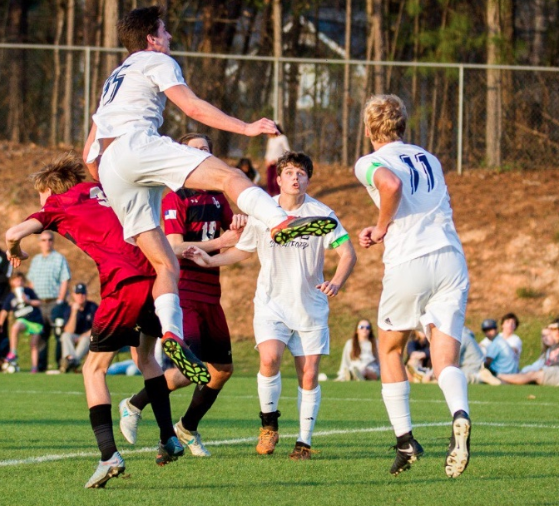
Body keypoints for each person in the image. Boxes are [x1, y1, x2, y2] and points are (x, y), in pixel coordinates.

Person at [82, 5, 336, 357]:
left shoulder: (115, 78)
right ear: (151, 39)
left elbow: (87, 156)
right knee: (231, 175)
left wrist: (110, 184)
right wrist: (247, 128)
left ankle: (171, 332)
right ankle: (280, 222)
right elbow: (194, 109)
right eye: (164, 30)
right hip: (137, 144)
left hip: (110, 166)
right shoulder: (157, 60)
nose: (170, 36)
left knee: (165, 264)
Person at [4, 153, 211, 489]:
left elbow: (14, 231)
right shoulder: (101, 188)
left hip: (123, 282)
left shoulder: (56, 204)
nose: (40, 202)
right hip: (156, 272)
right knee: (146, 359)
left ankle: (108, 455)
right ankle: (167, 438)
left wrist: (17, 248)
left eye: (40, 195)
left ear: (49, 189)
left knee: (93, 369)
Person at [185, 151, 356, 460]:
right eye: (289, 172)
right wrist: (210, 260)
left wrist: (337, 282)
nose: (295, 177)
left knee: (309, 375)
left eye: (301, 173)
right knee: (269, 360)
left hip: (310, 308)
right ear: (278, 179)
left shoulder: (322, 214)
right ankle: (268, 426)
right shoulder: (263, 212)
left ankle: (303, 441)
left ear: (308, 179)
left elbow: (348, 254)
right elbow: (242, 251)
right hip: (271, 304)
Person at [355, 94, 471, 478]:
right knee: (445, 361)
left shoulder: (370, 161)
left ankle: (406, 441)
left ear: (370, 129)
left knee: (389, 348)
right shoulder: (429, 157)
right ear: (403, 125)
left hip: (410, 261)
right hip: (451, 258)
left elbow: (389, 186)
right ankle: (459, 415)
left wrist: (382, 227)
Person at [118, 132, 244, 456]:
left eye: (206, 150)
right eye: (195, 151)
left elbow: (236, 235)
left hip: (211, 293)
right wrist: (219, 242)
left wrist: (243, 221)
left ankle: (186, 427)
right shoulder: (177, 196)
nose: (201, 155)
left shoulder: (218, 198)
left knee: (222, 371)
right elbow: (173, 247)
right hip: (183, 289)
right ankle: (133, 404)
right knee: (192, 368)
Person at [27, 229, 71, 371]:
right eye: (44, 240)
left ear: (53, 242)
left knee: (58, 334)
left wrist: (60, 300)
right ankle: (40, 366)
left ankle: (60, 365)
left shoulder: (59, 258)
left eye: (49, 240)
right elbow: (31, 282)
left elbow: (65, 280)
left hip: (54, 302)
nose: (47, 243)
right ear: (40, 243)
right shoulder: (36, 260)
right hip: (39, 303)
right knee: (40, 335)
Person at [0, 272, 44, 374]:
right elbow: (4, 311)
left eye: (21, 280)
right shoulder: (10, 296)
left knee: (34, 345)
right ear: (12, 282)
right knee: (15, 327)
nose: (19, 282)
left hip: (35, 321)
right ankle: (13, 352)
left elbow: (39, 302)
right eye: (16, 280)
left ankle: (34, 368)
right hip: (23, 320)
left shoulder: (28, 291)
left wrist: (28, 301)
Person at [497, 320, 559, 386]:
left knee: (534, 375)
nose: (551, 332)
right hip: (551, 371)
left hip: (554, 372)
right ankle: (499, 380)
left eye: (553, 330)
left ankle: (498, 376)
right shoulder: (551, 349)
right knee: (531, 374)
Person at [59, 283, 98, 373]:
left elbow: (97, 327)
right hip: (75, 335)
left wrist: (84, 335)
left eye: (82, 294)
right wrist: (74, 312)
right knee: (65, 336)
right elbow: (69, 330)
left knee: (85, 339)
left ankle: (70, 362)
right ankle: (71, 359)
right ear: (74, 295)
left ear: (86, 295)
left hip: (88, 336)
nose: (80, 296)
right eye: (78, 294)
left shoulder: (92, 307)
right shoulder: (69, 309)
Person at [264, 124, 290, 196]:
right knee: (269, 181)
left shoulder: (282, 138)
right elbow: (268, 151)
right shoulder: (271, 139)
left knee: (276, 181)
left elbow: (287, 151)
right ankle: (271, 197)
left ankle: (279, 197)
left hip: (279, 163)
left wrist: (277, 160)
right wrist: (267, 159)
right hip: (270, 163)